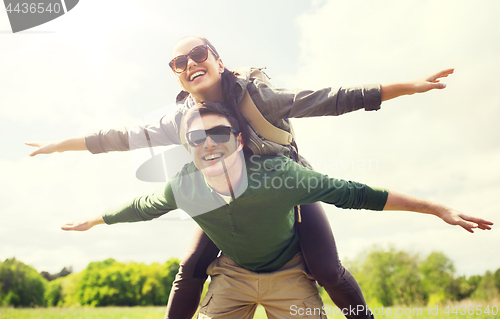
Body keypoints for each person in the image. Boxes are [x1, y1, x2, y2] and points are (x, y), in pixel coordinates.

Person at [27, 36, 456, 319]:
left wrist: (405, 86)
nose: (190, 63)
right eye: (179, 61)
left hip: (284, 187)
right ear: (176, 74)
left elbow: (330, 99)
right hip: (222, 195)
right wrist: (60, 144)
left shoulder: (258, 98)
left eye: (199, 54)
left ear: (217, 60)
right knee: (191, 267)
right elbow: (119, 138)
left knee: (325, 267)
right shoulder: (179, 120)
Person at [62, 101, 493, 319]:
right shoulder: (185, 186)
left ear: (240, 139)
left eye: (219, 133)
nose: (209, 143)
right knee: (189, 267)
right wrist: (96, 219)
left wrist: (438, 209)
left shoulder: (281, 177)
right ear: (188, 149)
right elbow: (143, 206)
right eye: (196, 138)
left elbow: (358, 192)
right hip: (231, 277)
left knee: (333, 272)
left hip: (290, 275)